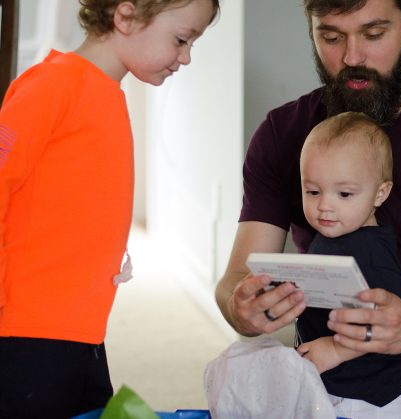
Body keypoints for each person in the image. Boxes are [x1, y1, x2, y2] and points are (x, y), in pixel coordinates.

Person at [215, 0, 401, 418]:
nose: (352, 58)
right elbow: (235, 279)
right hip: (322, 381)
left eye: (373, 35)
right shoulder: (281, 134)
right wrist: (240, 307)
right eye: (331, 37)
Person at [0, 1, 219, 417]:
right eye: (181, 40)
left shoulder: (103, 93)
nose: (186, 57)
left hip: (81, 327)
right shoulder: (53, 85)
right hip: (31, 329)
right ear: (126, 16)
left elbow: (71, 199)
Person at [296, 111, 401, 418]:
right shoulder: (332, 234)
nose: (324, 205)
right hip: (340, 382)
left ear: (380, 193)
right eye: (313, 191)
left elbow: (389, 324)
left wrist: (336, 350)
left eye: (344, 194)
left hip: (376, 396)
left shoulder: (371, 256)